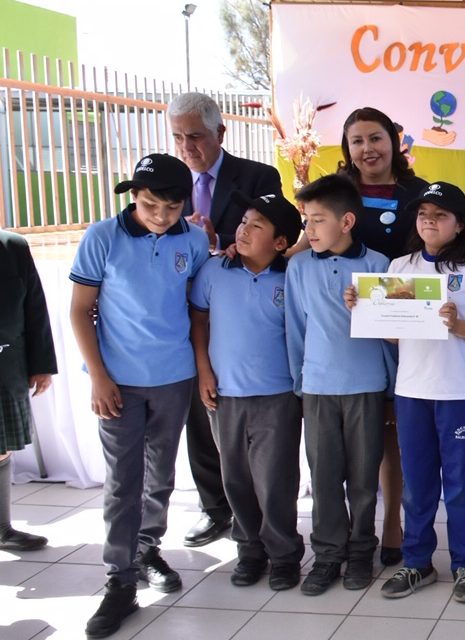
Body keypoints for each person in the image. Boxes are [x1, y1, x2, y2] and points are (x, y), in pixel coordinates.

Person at [69, 154, 209, 637]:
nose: (161, 216)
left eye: (172, 208)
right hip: (118, 382)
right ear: (133, 195)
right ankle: (119, 581)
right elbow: (80, 311)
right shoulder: (101, 237)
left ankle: (147, 548)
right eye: (151, 204)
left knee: (161, 473)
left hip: (173, 377)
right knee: (122, 481)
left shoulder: (193, 239)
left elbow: (197, 308)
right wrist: (98, 377)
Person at [361, 182, 465, 603]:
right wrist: (365, 308)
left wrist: (459, 326)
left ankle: (463, 564)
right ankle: (417, 562)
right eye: (424, 214)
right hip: (411, 392)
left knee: (459, 485)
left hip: (459, 393)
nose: (429, 222)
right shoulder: (401, 266)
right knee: (418, 484)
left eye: (440, 215)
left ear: (459, 224)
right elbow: (393, 334)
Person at [170, 91, 284, 548]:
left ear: (220, 132)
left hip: (243, 309)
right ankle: (215, 509)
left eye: (195, 136)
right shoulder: (170, 181)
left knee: (254, 438)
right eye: (178, 137)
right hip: (187, 310)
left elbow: (269, 237)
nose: (187, 147)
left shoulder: (258, 176)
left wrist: (217, 244)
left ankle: (265, 524)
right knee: (203, 413)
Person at [285, 174, 395, 596]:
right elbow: (295, 329)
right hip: (317, 387)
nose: (309, 231)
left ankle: (361, 551)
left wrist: (390, 388)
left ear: (346, 221)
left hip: (366, 386)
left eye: (317, 220)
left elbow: (389, 332)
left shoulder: (378, 266)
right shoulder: (297, 268)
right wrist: (300, 382)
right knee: (324, 476)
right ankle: (329, 555)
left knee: (364, 477)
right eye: (305, 221)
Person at [331, 106, 432, 567]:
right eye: (357, 141)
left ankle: (393, 526)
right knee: (355, 434)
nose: (367, 149)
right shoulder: (337, 193)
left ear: (394, 141)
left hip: (403, 319)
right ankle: (354, 532)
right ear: (347, 148)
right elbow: (310, 240)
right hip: (346, 324)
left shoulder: (417, 192)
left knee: (394, 429)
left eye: (376, 138)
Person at [189, 193, 305, 591]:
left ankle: (285, 554)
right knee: (235, 477)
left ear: (279, 242)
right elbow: (199, 322)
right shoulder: (214, 270)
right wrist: (204, 371)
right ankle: (249, 550)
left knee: (275, 480)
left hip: (278, 395)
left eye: (257, 226)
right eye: (243, 221)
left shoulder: (291, 278)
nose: (243, 229)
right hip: (224, 394)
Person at [0, 229, 56, 552]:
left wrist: (42, 364)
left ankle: (2, 529)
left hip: (6, 364)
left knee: (2, 447)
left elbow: (35, 308)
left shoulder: (13, 246)